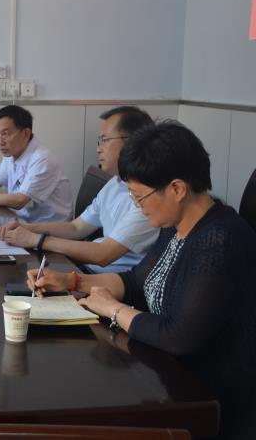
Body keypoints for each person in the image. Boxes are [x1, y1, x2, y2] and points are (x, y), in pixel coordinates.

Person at [27, 121, 256, 439]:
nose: (137, 206)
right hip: (165, 377)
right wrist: (71, 282)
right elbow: (135, 281)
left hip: (211, 402)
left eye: (140, 197)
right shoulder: (175, 226)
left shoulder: (219, 240)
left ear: (177, 189)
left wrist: (113, 309)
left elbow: (178, 336)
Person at [0, 106, 158, 272]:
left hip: (109, 280)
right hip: (86, 268)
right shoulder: (115, 183)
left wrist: (37, 240)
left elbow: (103, 254)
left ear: (132, 142)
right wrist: (28, 229)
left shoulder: (148, 197)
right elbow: (76, 228)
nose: (98, 149)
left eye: (105, 140)